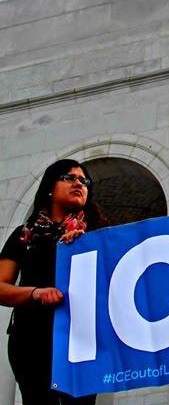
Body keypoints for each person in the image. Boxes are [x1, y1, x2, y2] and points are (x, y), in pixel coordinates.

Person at [0, 159, 106, 405]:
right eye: (70, 178)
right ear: (50, 187)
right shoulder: (24, 235)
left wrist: (86, 246)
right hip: (33, 337)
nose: (79, 183)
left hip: (80, 336)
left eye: (84, 180)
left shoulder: (95, 233)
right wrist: (35, 293)